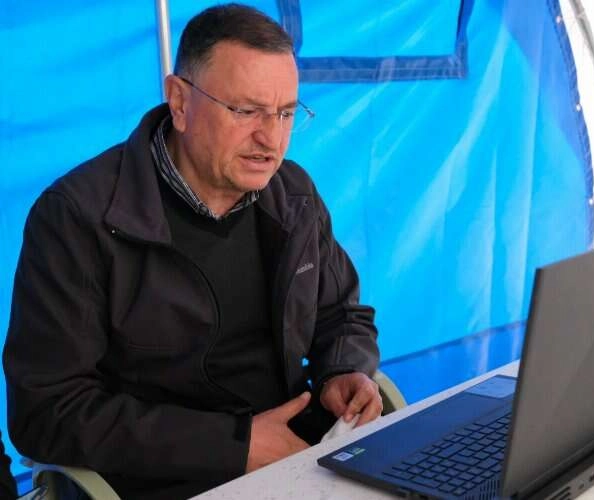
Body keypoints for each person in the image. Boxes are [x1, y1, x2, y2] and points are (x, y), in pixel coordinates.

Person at [2, 4, 381, 499]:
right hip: (162, 483)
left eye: (286, 113)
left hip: (297, 464)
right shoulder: (78, 218)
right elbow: (47, 411)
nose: (270, 138)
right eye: (245, 111)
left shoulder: (294, 195)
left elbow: (342, 315)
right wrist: (234, 446)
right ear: (179, 101)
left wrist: (343, 370)